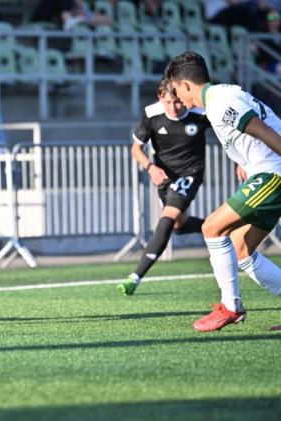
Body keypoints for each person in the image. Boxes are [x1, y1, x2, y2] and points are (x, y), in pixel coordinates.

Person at [165, 51, 281, 332]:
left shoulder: (219, 103)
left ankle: (231, 307)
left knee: (212, 227)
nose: (177, 95)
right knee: (242, 248)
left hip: (274, 173)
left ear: (186, 85)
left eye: (176, 88)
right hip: (265, 171)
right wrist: (244, 163)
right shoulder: (221, 95)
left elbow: (263, 130)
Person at [118, 77, 210, 295]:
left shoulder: (200, 113)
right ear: (160, 97)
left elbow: (230, 135)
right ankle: (218, 228)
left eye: (178, 102)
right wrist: (150, 167)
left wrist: (241, 161)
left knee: (167, 217)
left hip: (190, 174)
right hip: (164, 176)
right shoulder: (152, 114)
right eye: (168, 102)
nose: (174, 107)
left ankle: (136, 276)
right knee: (178, 226)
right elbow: (136, 149)